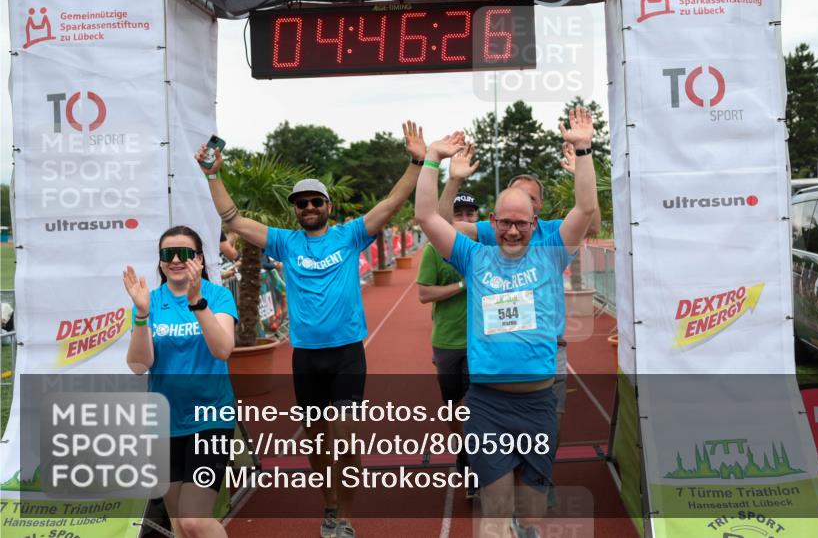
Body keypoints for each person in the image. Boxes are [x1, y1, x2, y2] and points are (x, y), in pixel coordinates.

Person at [195, 121, 426, 538]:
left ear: (328, 206)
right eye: (301, 203)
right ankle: (330, 503)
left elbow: (391, 203)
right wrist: (213, 174)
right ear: (295, 210)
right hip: (306, 358)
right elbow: (233, 218)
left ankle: (347, 519)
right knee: (317, 446)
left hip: (346, 355)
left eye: (315, 201)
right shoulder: (284, 242)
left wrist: (415, 161)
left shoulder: (350, 235)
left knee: (347, 445)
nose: (308, 207)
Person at [414, 107, 597, 538]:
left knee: (532, 518)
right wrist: (433, 160)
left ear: (535, 223)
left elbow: (586, 206)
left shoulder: (552, 253)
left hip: (538, 406)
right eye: (505, 223)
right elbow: (426, 216)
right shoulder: (473, 256)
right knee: (495, 518)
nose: (513, 231)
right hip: (488, 407)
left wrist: (584, 148)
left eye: (521, 223)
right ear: (491, 222)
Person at [123, 225, 238, 538]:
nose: (175, 259)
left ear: (199, 259)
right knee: (178, 524)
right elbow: (138, 364)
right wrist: (142, 314)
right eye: (167, 254)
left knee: (194, 521)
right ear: (160, 261)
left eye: (185, 253)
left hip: (211, 418)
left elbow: (223, 349)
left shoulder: (217, 296)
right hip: (164, 424)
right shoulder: (149, 301)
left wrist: (197, 302)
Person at [415, 191, 480, 496]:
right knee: (454, 407)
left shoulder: (485, 247)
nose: (465, 220)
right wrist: (462, 285)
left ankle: (476, 463)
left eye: (471, 215)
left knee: (481, 406)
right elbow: (424, 293)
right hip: (447, 343)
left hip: (481, 343)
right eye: (459, 215)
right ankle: (465, 449)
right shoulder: (433, 251)